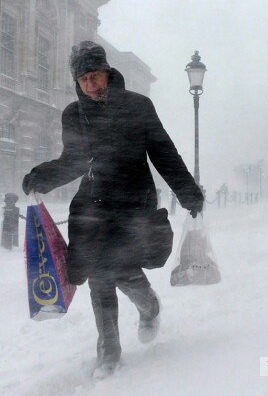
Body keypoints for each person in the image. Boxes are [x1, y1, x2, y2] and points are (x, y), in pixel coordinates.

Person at [22, 41, 204, 378]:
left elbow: (163, 152)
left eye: (95, 76)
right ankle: (108, 352)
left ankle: (149, 306)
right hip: (93, 207)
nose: (91, 85)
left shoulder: (138, 107)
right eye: (83, 80)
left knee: (123, 271)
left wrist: (188, 192)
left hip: (133, 205)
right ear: (76, 82)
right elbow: (74, 160)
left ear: (107, 72)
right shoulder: (73, 115)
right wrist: (41, 178)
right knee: (99, 279)